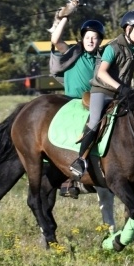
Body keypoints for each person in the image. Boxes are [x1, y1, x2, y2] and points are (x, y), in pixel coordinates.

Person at [69, 10, 134, 180]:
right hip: (102, 91)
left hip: (122, 95)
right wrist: (121, 88)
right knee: (94, 121)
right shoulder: (112, 47)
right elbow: (102, 73)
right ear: (128, 29)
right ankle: (80, 160)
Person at [50, 12, 106, 197]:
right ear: (82, 39)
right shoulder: (72, 53)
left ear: (99, 41)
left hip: (91, 103)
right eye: (87, 37)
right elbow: (55, 39)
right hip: (70, 103)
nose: (90, 41)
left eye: (94, 38)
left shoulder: (102, 61)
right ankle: (69, 178)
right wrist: (65, 17)